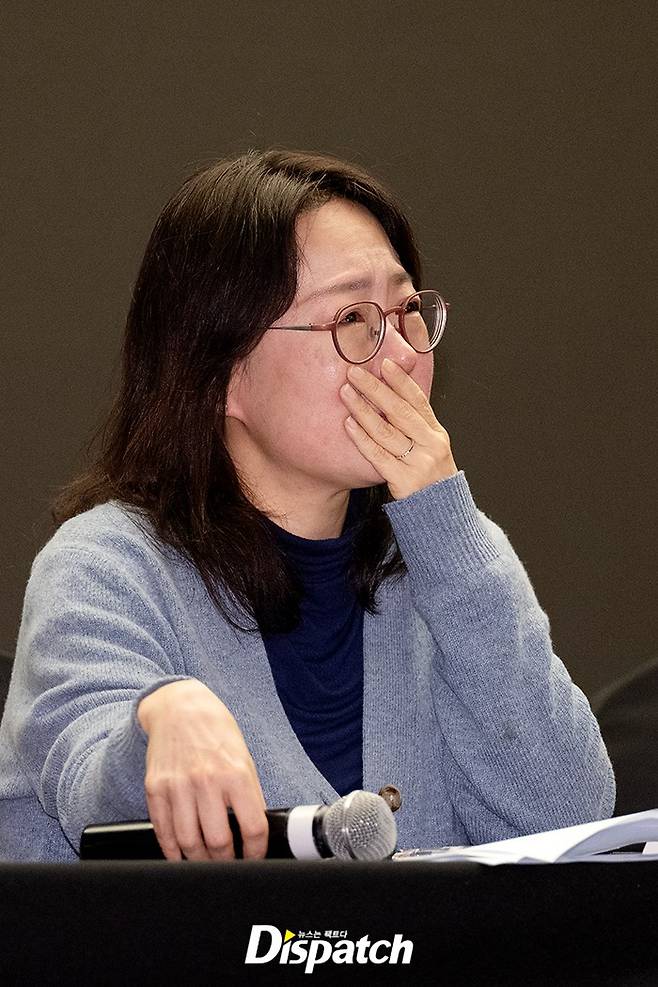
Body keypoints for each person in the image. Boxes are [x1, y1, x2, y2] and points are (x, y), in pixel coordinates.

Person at [0, 148, 614, 862]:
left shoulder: (449, 561)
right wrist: (160, 716)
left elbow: (568, 819)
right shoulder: (105, 565)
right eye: (352, 318)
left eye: (407, 310)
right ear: (220, 373)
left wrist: (450, 539)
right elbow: (95, 812)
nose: (402, 355)